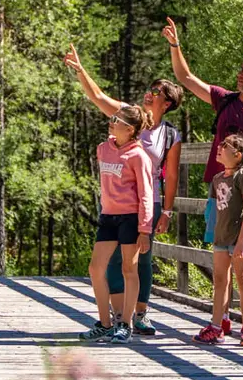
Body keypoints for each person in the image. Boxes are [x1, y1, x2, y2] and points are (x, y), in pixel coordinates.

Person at [161, 17, 243, 339]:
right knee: (221, 256)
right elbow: (185, 78)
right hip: (220, 191)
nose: (240, 75)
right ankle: (222, 320)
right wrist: (175, 46)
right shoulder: (225, 99)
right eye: (240, 70)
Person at [63, 44, 183, 335]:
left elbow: (172, 175)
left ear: (166, 103)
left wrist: (166, 211)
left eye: (157, 92)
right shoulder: (129, 116)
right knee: (114, 260)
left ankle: (140, 314)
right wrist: (81, 71)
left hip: (147, 200)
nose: (149, 93)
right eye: (150, 88)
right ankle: (117, 317)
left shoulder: (169, 134)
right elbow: (98, 96)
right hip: (117, 203)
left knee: (142, 258)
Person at [79, 103, 154, 345]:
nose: (111, 122)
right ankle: (104, 323)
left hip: (130, 218)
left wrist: (145, 229)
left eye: (117, 120)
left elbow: (146, 194)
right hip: (108, 216)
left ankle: (126, 324)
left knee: (128, 270)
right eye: (113, 118)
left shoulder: (138, 156)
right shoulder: (104, 149)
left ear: (130, 129)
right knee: (95, 268)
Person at [194, 134, 243, 347]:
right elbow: (214, 210)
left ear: (237, 155)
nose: (219, 148)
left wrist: (242, 241)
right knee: (220, 280)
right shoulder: (217, 178)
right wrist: (211, 234)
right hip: (221, 237)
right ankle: (216, 326)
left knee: (242, 278)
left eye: (225, 146)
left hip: (239, 238)